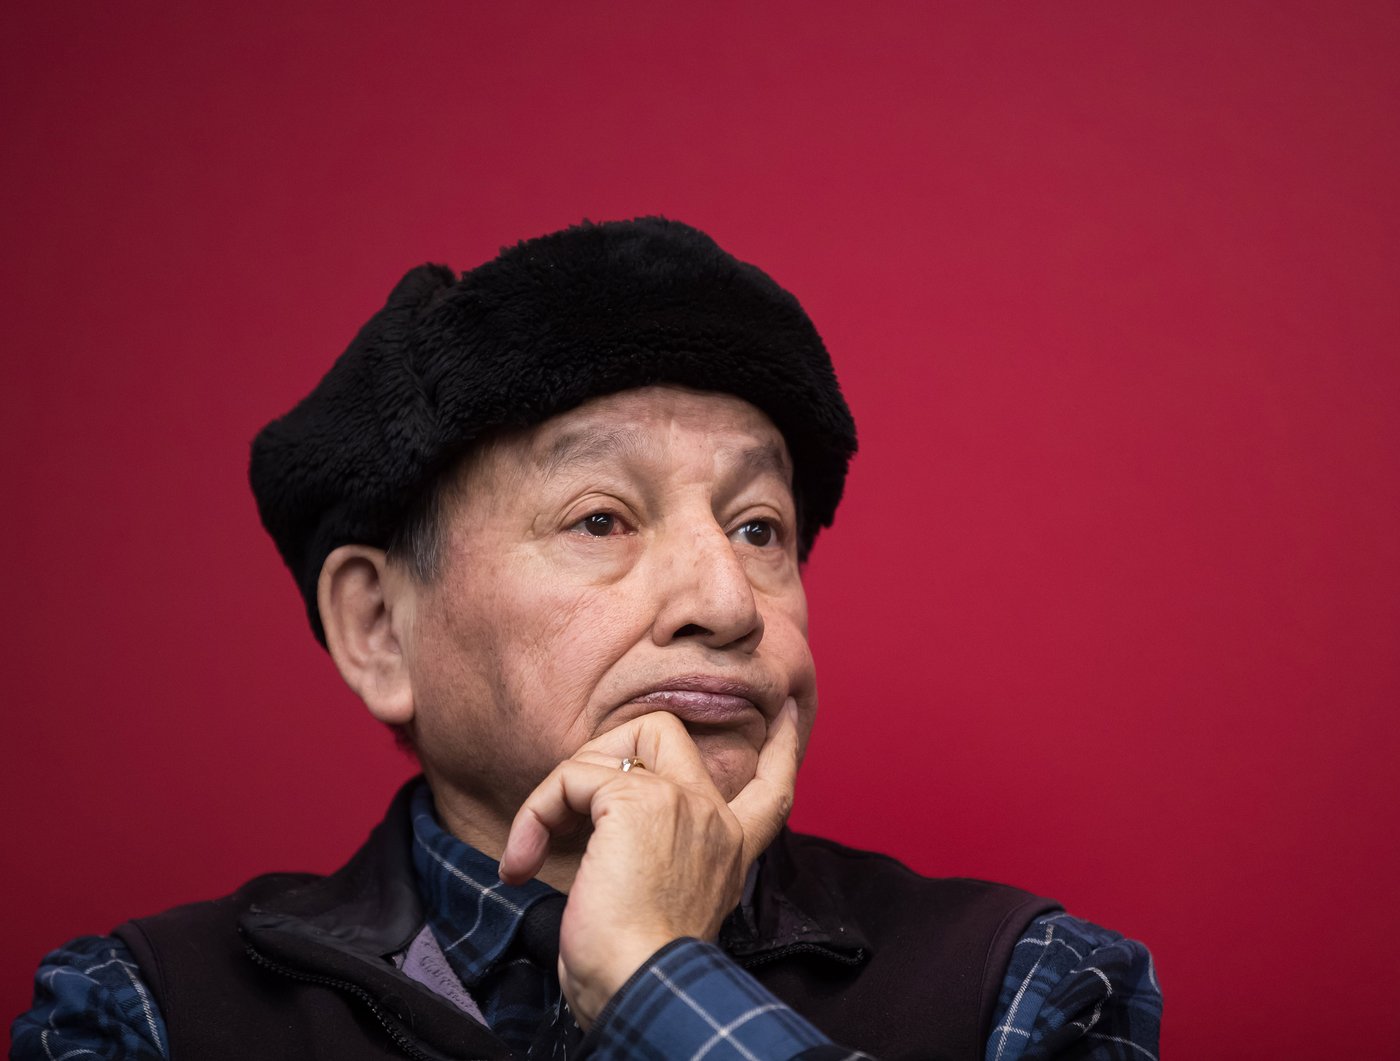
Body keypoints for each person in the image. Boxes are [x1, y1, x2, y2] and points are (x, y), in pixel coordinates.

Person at [12, 219, 1161, 1060]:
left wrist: (659, 980)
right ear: (377, 625)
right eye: (601, 518)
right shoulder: (144, 1011)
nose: (726, 600)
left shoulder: (1027, 987)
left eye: (757, 528)